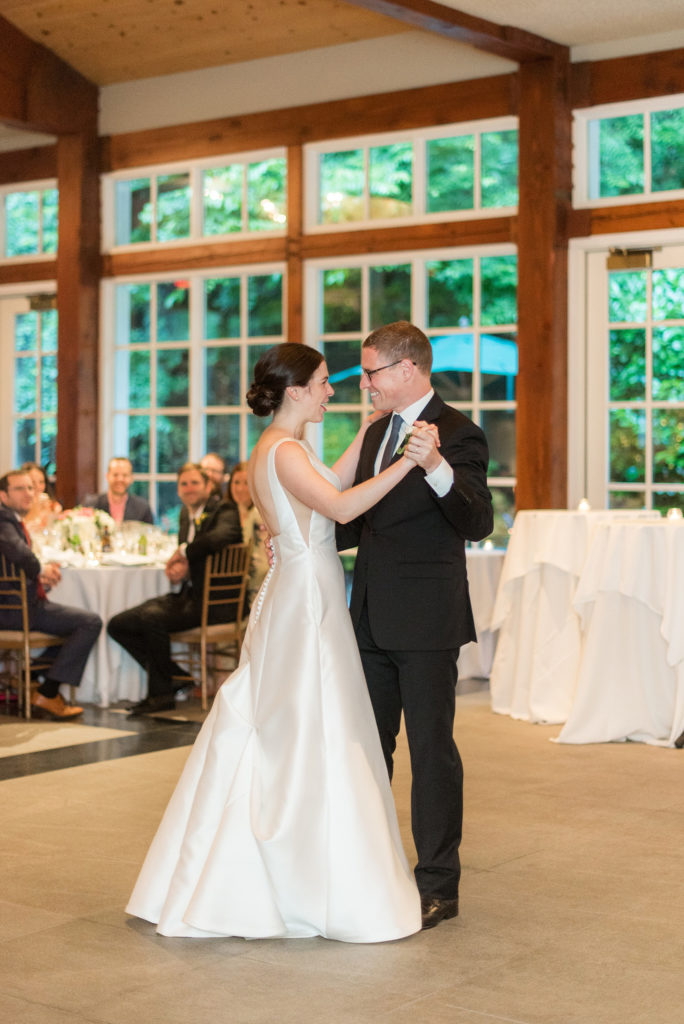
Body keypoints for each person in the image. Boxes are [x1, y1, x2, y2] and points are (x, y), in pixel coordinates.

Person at [126, 342, 433, 942]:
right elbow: (342, 505)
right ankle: (296, 867)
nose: (331, 391)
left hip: (302, 584)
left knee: (304, 720)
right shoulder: (284, 450)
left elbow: (330, 481)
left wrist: (372, 434)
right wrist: (409, 464)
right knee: (305, 724)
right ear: (294, 389)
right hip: (306, 596)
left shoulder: (283, 448)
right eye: (322, 381)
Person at [336, 321, 494, 931]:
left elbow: (477, 521)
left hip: (427, 622)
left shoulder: (460, 432)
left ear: (407, 370)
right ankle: (373, 868)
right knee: (370, 751)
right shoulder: (375, 432)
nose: (365, 383)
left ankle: (438, 885)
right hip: (369, 616)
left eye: (372, 371)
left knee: (432, 754)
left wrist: (436, 468)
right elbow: (362, 518)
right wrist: (308, 543)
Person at [107, 462, 241, 717]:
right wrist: (183, 570)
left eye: (194, 483)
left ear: (208, 486)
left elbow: (220, 537)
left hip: (217, 604)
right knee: (118, 623)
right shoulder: (184, 513)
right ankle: (177, 678)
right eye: (184, 484)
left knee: (151, 618)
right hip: (190, 596)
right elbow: (195, 555)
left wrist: (182, 553)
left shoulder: (224, 509)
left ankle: (161, 695)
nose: (189, 489)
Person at [0, 469, 102, 719]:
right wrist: (40, 570)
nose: (29, 494)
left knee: (79, 621)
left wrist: (40, 579)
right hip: (13, 610)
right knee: (90, 622)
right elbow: (18, 553)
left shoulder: (10, 519)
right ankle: (48, 691)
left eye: (31, 488)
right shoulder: (3, 521)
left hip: (18, 602)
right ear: (3, 495)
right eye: (20, 489)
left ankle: (29, 675)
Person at [225, 461, 268, 604]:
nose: (240, 489)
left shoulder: (259, 515)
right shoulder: (228, 513)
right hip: (236, 581)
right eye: (236, 482)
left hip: (258, 582)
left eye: (246, 483)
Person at [83, 456, 154, 525]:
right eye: (115, 475)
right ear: (107, 476)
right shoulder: (91, 504)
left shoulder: (142, 508)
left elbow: (151, 534)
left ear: (131, 478)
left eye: (125, 475)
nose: (120, 479)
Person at [21, 462, 62, 533]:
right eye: (33, 482)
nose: (38, 487)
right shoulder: (18, 507)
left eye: (41, 482)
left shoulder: (53, 506)